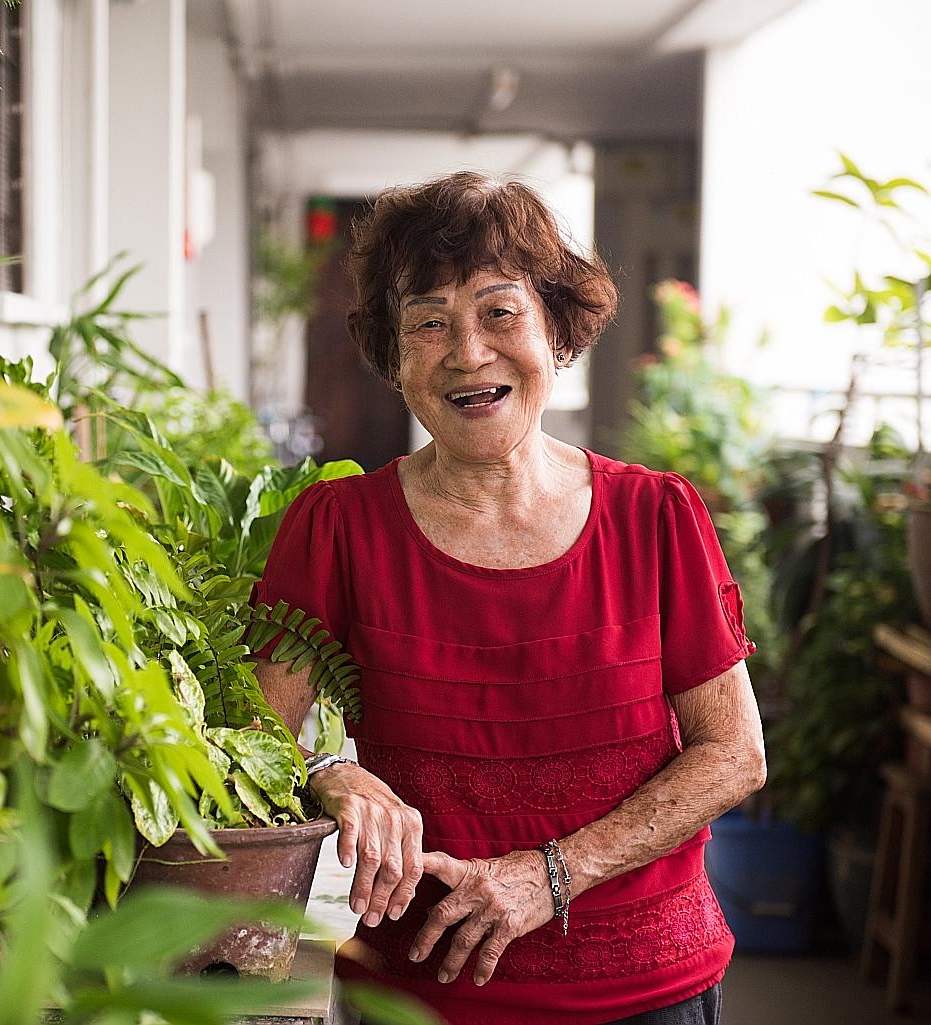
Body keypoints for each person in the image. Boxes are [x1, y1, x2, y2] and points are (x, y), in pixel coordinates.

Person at [251, 172, 764, 1025]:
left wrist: (549, 874)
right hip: (417, 996)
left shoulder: (656, 517)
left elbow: (734, 752)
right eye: (428, 322)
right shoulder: (337, 529)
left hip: (645, 993)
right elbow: (252, 737)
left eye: (500, 312)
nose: (467, 351)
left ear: (556, 330)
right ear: (393, 355)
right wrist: (330, 772)